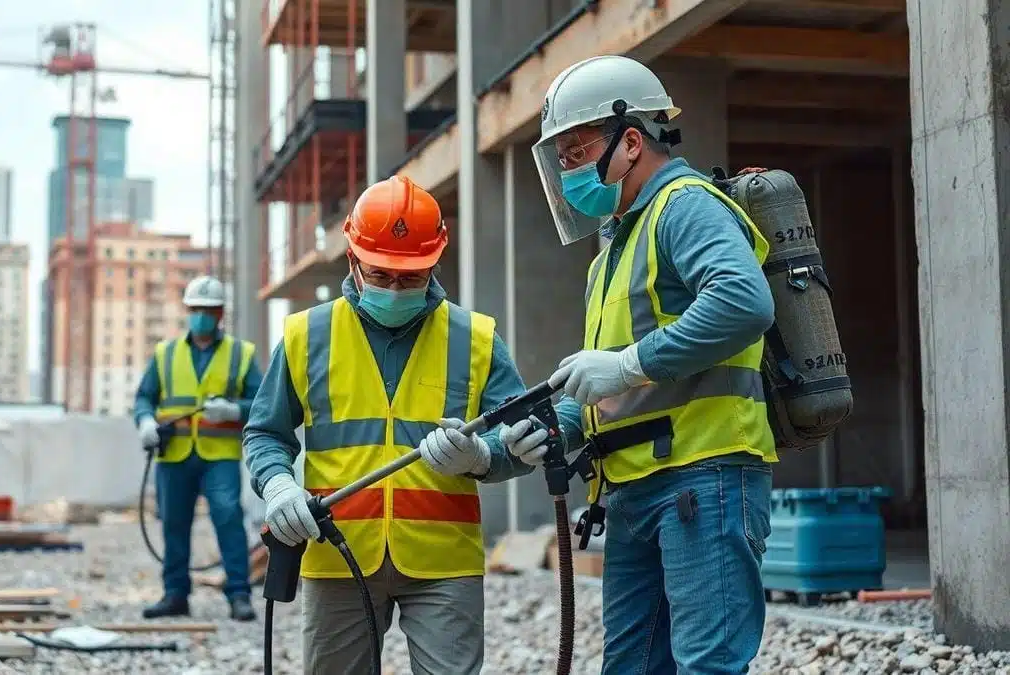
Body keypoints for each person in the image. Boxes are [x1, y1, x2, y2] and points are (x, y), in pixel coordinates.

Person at [512, 54, 778, 674]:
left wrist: (628, 364)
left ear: (631, 142)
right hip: (633, 486)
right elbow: (607, 388)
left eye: (576, 152)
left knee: (705, 664)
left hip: (703, 476)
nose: (569, 170)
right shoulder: (611, 249)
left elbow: (743, 301)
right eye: (563, 159)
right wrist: (547, 433)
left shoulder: (685, 205)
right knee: (629, 666)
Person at [244, 175, 546, 675]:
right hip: (339, 554)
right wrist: (278, 487)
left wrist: (484, 456)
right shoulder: (306, 335)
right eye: (380, 275)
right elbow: (265, 432)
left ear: (434, 263)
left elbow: (523, 435)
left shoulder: (474, 338)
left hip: (443, 562)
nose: (394, 288)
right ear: (353, 262)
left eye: (410, 277)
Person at [134, 275, 263, 622]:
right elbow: (145, 397)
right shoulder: (166, 354)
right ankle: (175, 594)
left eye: (208, 310)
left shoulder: (241, 353)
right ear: (187, 311)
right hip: (174, 454)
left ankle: (239, 594)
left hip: (218, 456)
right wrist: (145, 421)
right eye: (195, 310)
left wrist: (233, 410)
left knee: (228, 520)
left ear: (221, 313)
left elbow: (263, 403)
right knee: (174, 524)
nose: (201, 316)